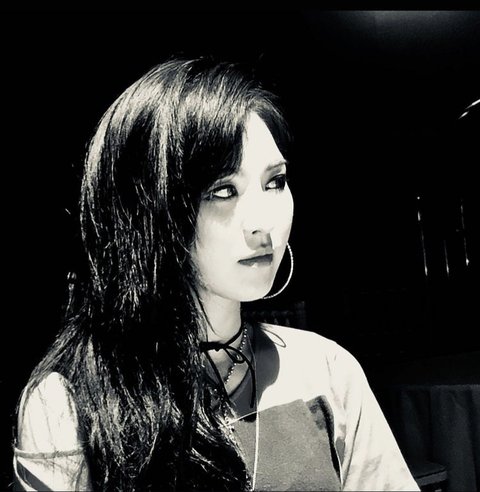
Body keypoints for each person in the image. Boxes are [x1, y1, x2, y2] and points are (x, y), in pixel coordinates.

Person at [12, 56, 420, 491]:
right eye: (223, 190)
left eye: (275, 182)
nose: (263, 223)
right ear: (148, 209)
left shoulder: (327, 371)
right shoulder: (69, 403)